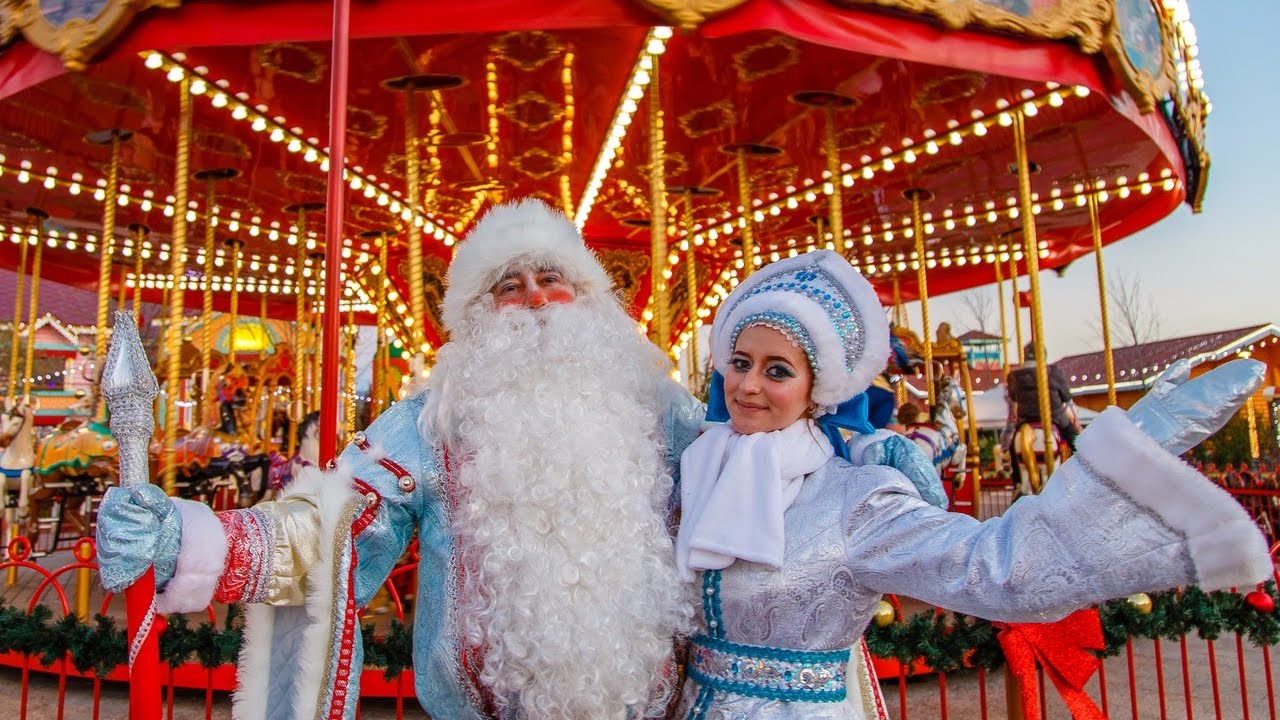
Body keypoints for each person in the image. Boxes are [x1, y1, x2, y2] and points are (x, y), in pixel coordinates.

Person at [93, 200, 938, 720]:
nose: (535, 297)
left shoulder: (660, 411)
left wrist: (870, 458)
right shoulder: (431, 421)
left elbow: (773, 461)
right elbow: (332, 522)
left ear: (587, 295)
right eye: (508, 284)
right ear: (476, 313)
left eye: (552, 277)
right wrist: (193, 537)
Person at [673, 250, 1270, 718]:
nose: (748, 385)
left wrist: (1139, 451)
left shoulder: (856, 498)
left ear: (818, 387)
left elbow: (997, 567)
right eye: (741, 363)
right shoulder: (699, 468)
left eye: (777, 370)